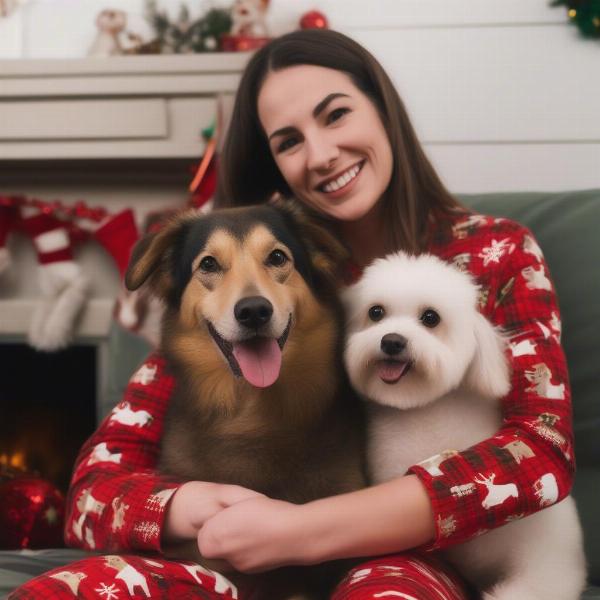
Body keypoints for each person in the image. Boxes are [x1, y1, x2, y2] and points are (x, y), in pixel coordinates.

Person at [11, 29, 574, 599]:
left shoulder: (495, 253)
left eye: (336, 115)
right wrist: (187, 506)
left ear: (383, 111)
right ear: (274, 163)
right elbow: (91, 492)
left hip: (405, 559)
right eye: (288, 141)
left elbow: (541, 453)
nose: (322, 154)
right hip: (227, 562)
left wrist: (304, 531)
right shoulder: (240, 296)